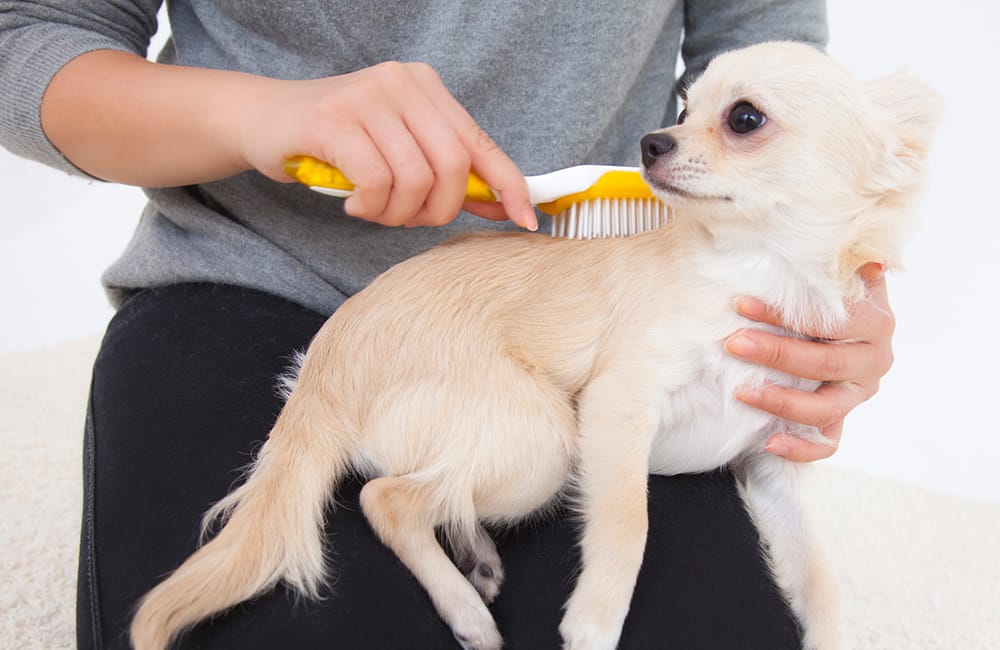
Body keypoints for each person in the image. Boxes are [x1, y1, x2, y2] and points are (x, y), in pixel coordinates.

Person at [0, 2, 895, 648]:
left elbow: (770, 63)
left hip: (598, 302)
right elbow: (29, 36)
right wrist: (256, 113)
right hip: (251, 275)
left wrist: (843, 285)